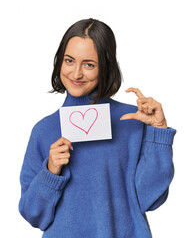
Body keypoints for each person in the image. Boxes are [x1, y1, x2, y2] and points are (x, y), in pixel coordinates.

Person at [18, 18, 176, 238]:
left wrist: (159, 132)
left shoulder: (131, 120)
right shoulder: (43, 131)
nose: (76, 73)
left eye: (89, 64)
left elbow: (151, 198)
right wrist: (51, 172)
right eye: (69, 60)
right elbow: (34, 214)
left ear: (106, 66)